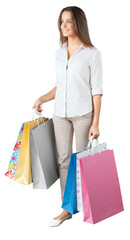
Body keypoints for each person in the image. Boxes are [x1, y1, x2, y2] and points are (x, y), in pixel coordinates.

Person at [32, 6, 103, 227]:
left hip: (83, 114)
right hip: (60, 115)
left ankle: (86, 203)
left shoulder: (92, 53)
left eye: (69, 21)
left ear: (78, 23)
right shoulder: (59, 53)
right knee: (63, 161)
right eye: (62, 21)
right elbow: (59, 86)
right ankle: (67, 208)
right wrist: (42, 98)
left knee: (81, 161)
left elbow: (96, 90)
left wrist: (96, 123)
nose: (64, 25)